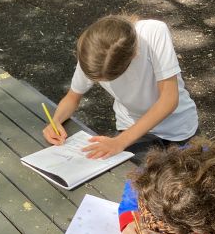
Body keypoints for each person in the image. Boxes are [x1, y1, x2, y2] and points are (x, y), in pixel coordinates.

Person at [42, 15, 199, 164]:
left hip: (179, 128)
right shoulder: (93, 53)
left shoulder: (153, 32)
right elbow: (72, 97)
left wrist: (120, 142)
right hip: (132, 128)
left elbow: (169, 100)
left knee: (187, 179)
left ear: (134, 54)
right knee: (133, 178)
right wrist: (55, 121)